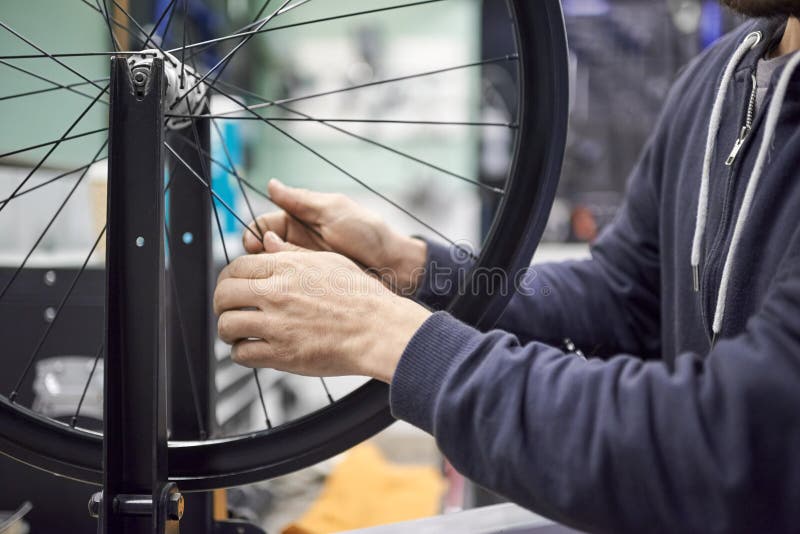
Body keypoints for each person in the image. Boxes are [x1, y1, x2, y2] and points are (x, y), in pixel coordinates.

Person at [213, 3, 800, 532]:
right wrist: (417, 271)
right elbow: (623, 297)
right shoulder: (720, 75)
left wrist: (387, 335)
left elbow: (738, 441)